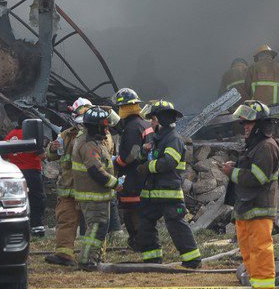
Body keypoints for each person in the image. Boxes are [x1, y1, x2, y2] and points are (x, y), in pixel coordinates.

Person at [222, 100, 279, 289]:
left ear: (261, 124)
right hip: (246, 207)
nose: (246, 127)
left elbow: (259, 178)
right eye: (244, 123)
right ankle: (256, 283)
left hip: (259, 207)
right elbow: (250, 169)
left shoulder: (266, 147)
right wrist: (236, 166)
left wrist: (232, 173)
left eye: (249, 123)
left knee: (260, 248)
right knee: (247, 249)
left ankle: (264, 287)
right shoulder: (254, 146)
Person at [136, 100, 202, 268]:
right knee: (144, 222)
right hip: (152, 193)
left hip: (169, 193)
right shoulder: (158, 139)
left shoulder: (174, 139)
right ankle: (152, 260)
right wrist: (144, 151)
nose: (151, 122)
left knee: (176, 225)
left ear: (161, 120)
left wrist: (148, 167)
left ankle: (192, 260)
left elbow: (168, 162)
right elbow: (148, 158)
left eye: (153, 119)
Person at [70, 106, 121, 271]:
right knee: (96, 229)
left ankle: (92, 258)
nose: (106, 130)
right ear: (95, 127)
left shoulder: (92, 140)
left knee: (98, 228)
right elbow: (95, 171)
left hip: (96, 195)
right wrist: (115, 183)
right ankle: (87, 261)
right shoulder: (89, 144)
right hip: (93, 196)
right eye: (103, 127)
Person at [43, 97, 91, 266]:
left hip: (89, 188)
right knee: (65, 220)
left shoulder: (100, 134)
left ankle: (91, 257)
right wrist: (52, 148)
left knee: (93, 225)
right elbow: (51, 155)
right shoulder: (66, 134)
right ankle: (64, 255)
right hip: (69, 188)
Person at [112, 87, 150, 252]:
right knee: (140, 211)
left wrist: (116, 162)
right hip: (144, 175)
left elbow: (129, 156)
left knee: (131, 211)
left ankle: (138, 242)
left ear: (124, 107)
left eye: (120, 107)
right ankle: (141, 241)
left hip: (133, 177)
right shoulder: (144, 123)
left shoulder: (132, 127)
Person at [3, 119, 46, 237]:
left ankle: (17, 227)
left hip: (15, 173)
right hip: (32, 172)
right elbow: (42, 155)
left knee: (16, 200)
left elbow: (3, 155)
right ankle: (36, 227)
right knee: (36, 199)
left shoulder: (10, 135)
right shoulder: (31, 135)